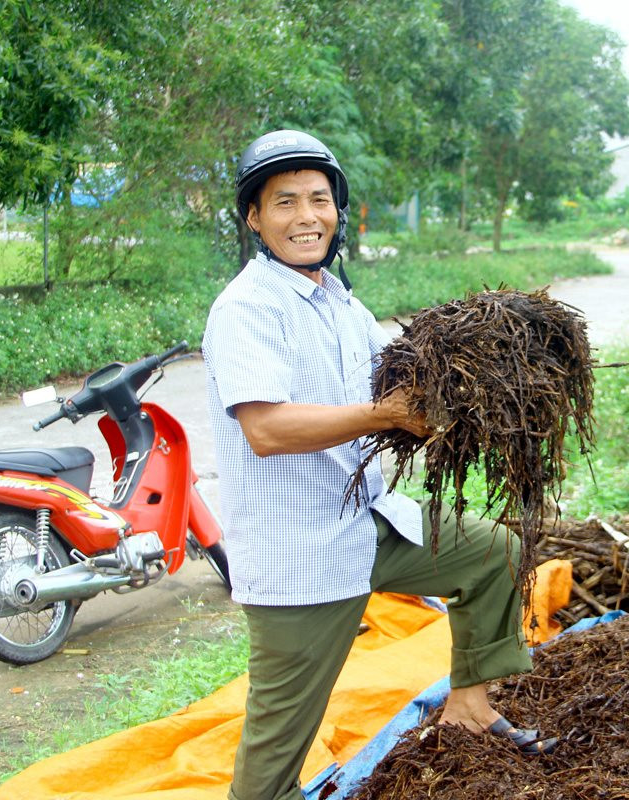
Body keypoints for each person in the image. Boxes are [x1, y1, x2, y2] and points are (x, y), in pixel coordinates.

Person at [203, 130, 555, 800]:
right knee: (278, 743)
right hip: (298, 554)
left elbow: (400, 381)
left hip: (367, 523)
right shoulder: (246, 310)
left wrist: (485, 367)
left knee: (495, 555)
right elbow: (267, 430)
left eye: (319, 198)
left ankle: (470, 709)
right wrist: (383, 416)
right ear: (254, 217)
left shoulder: (340, 300)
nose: (307, 215)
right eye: (285, 202)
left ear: (337, 209)